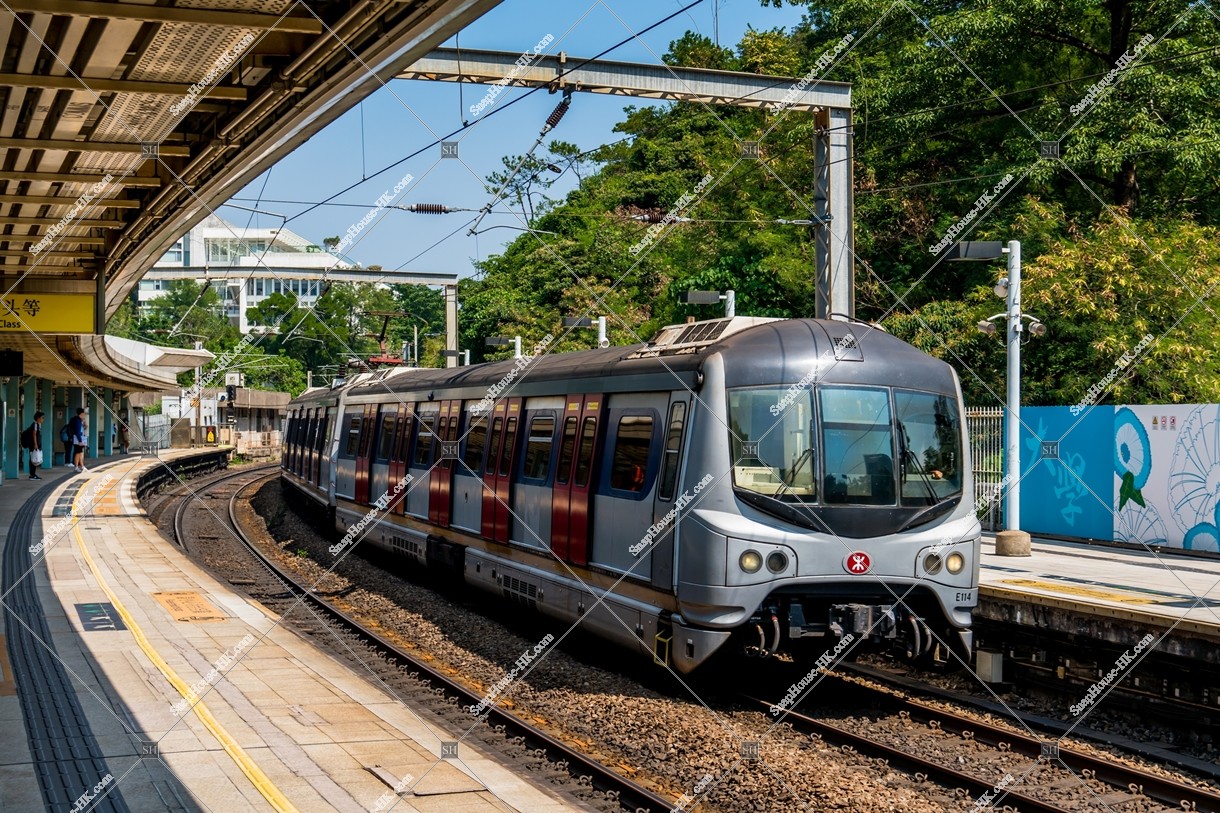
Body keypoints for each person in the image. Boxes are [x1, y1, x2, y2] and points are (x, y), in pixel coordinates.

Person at [23, 411, 44, 480]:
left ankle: (33, 474)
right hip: (33, 445)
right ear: (38, 418)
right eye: (42, 418)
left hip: (35, 445)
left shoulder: (38, 425)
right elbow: (34, 434)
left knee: (35, 459)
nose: (43, 419)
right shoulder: (35, 424)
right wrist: (35, 444)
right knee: (33, 459)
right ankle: (32, 475)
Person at [70, 407, 88, 473]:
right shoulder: (77, 421)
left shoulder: (80, 420)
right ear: (81, 413)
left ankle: (82, 466)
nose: (84, 415)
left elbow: (86, 427)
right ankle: (77, 467)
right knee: (78, 453)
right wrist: (80, 441)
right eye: (83, 414)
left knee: (80, 452)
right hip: (78, 438)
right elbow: (77, 431)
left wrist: (84, 421)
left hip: (79, 438)